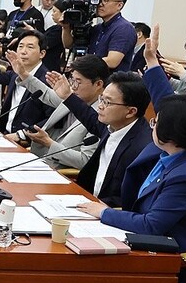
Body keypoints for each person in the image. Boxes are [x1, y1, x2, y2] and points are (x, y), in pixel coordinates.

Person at [77, 91, 186, 283]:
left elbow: (151, 225)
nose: (151, 125)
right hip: (155, 247)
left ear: (172, 134)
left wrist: (104, 213)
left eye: (156, 122)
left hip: (179, 266)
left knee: (89, 275)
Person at [49, 71, 152, 207]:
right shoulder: (114, 125)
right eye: (101, 99)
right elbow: (90, 118)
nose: (100, 106)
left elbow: (130, 199)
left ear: (131, 111)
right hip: (88, 200)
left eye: (107, 102)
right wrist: (68, 96)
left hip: (108, 212)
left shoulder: (143, 148)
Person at [17, 54, 107, 169]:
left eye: (78, 82)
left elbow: (85, 160)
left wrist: (49, 143)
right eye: (71, 80)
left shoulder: (103, 114)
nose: (73, 87)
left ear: (98, 84)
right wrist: (23, 74)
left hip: (62, 173)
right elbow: (46, 94)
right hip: (40, 162)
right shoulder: (74, 99)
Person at [0, 29, 53, 135]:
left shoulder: (48, 80)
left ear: (42, 53)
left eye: (30, 47)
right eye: (20, 46)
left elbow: (52, 119)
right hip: (5, 133)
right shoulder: (15, 73)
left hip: (27, 141)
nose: (23, 51)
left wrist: (22, 135)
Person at [62, 0, 136, 72]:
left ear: (119, 5)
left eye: (105, 0)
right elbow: (68, 45)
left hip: (110, 82)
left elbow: (112, 61)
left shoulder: (124, 28)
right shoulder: (98, 28)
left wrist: (81, 64)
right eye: (99, 0)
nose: (100, 4)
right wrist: (65, 28)